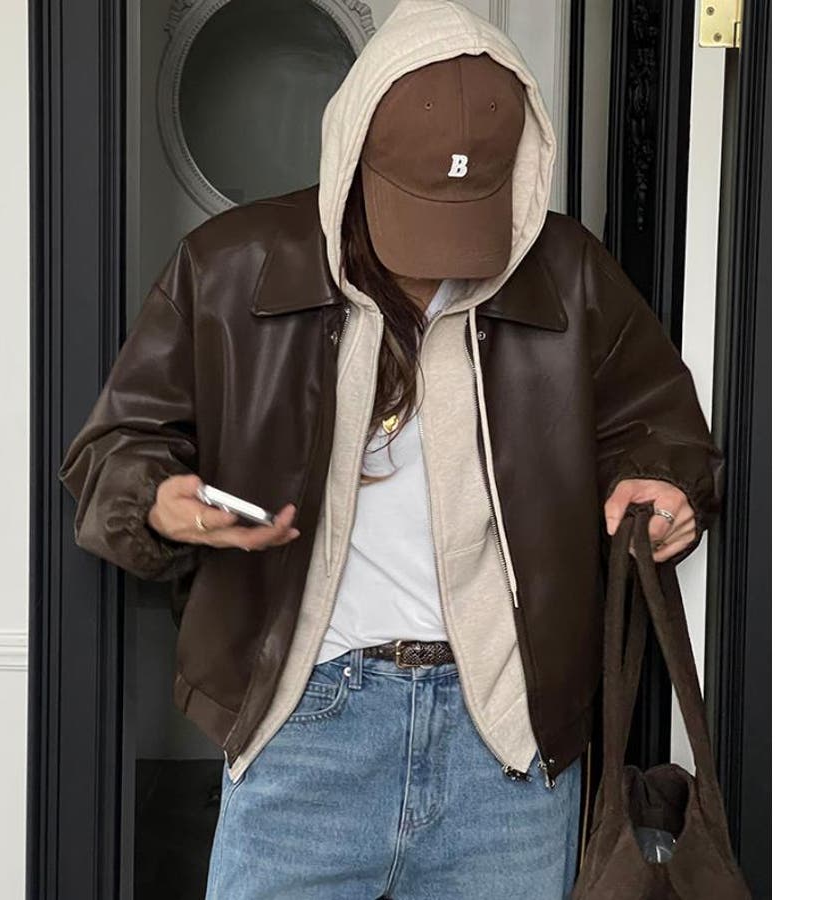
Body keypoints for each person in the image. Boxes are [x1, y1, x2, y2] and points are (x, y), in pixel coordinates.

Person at [58, 2, 724, 898]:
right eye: (417, 215)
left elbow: (659, 425)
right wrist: (157, 499)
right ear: (350, 156)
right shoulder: (228, 267)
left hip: (508, 741)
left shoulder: (569, 273)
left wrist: (662, 484)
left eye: (470, 217)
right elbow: (114, 447)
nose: (440, 257)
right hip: (306, 726)